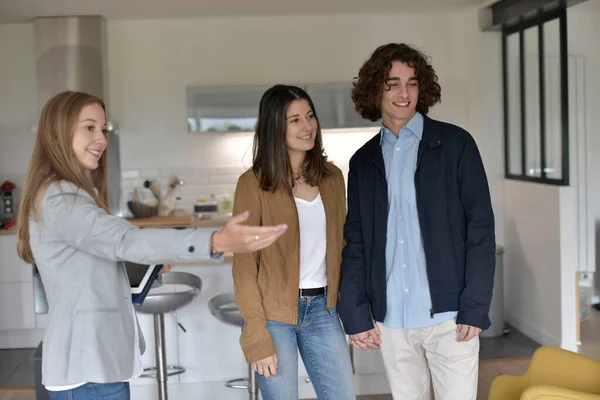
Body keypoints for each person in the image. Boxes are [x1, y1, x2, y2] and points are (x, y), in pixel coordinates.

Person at [16, 90, 287, 400]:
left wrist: (152, 267)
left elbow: (92, 269)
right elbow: (124, 239)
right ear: (58, 133)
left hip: (96, 364)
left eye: (103, 129)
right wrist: (214, 240)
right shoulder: (61, 198)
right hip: (87, 369)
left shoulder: (67, 195)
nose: (101, 139)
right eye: (89, 127)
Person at [337, 43, 496, 400]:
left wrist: (475, 307)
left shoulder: (456, 145)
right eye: (392, 83)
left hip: (451, 318)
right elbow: (357, 242)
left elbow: (481, 230)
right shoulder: (363, 162)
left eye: (411, 82)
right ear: (374, 89)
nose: (403, 93)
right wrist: (356, 312)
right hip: (392, 319)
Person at [232, 84, 355, 399]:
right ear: (275, 127)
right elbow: (245, 267)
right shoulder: (253, 184)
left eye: (310, 116)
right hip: (274, 317)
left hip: (324, 311)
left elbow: (344, 248)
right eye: (295, 120)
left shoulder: (331, 177)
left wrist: (357, 310)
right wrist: (256, 337)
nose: (308, 126)